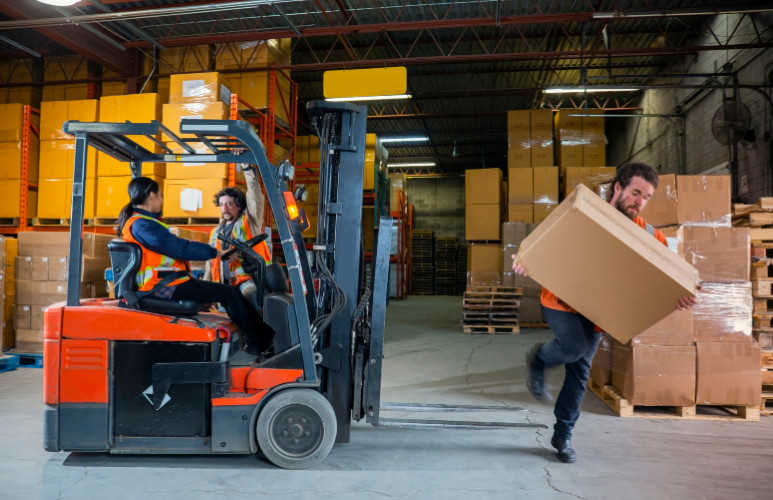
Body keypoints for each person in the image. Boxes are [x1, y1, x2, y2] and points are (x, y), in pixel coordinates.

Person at [512, 162, 697, 464]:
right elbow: (545, 244)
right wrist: (524, 261)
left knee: (580, 373)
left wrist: (677, 297)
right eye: (636, 193)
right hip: (562, 301)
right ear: (618, 188)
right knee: (573, 347)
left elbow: (669, 281)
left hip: (599, 312)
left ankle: (563, 436)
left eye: (646, 197)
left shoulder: (652, 238)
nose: (640, 202)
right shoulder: (584, 215)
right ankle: (539, 359)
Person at [116, 176, 273, 354]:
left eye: (230, 204)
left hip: (169, 282)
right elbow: (177, 248)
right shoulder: (143, 225)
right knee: (229, 293)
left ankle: (258, 339)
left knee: (233, 293)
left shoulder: (143, 223)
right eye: (160, 196)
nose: (161, 201)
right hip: (162, 285)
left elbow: (171, 248)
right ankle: (262, 340)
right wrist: (215, 252)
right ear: (151, 196)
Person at [207, 166, 272, 312]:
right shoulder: (215, 234)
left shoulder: (250, 223)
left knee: (250, 296)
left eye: (229, 204)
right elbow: (209, 268)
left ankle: (258, 331)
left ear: (239, 206)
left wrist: (247, 170)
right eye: (222, 205)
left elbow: (255, 198)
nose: (224, 209)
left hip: (249, 282)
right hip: (223, 287)